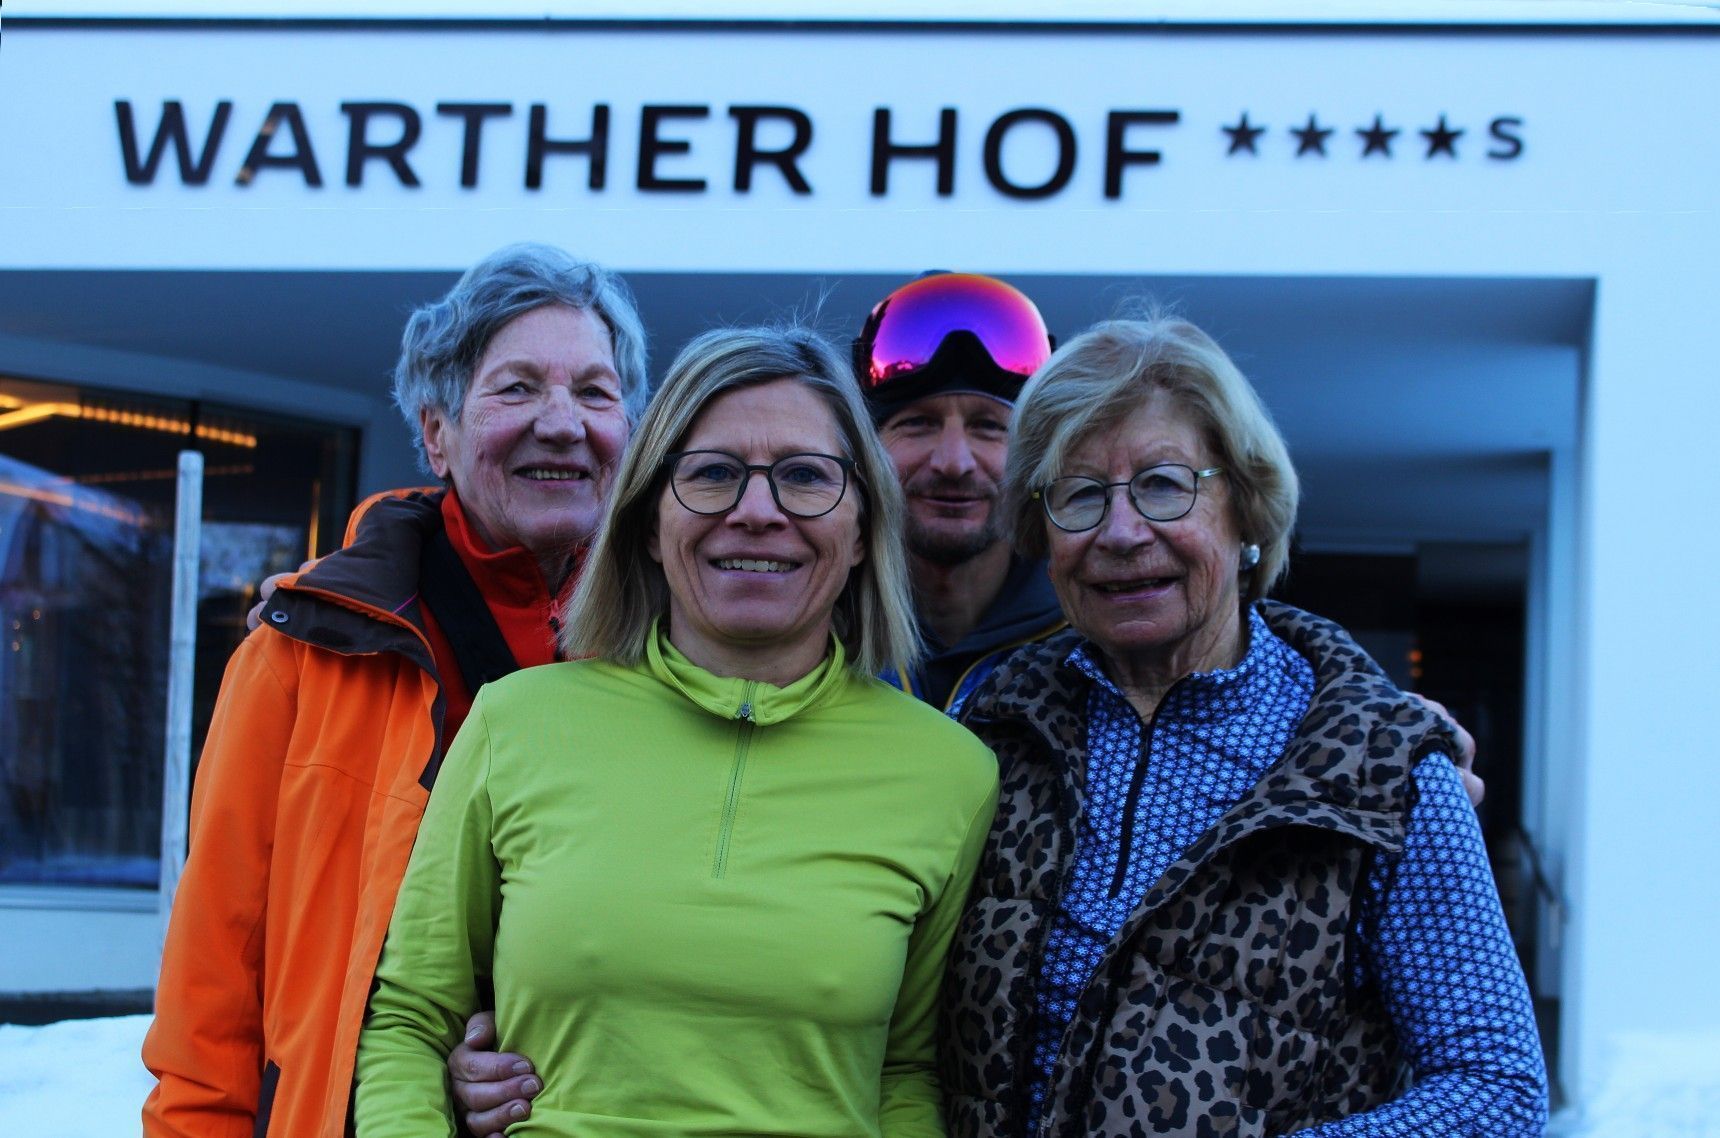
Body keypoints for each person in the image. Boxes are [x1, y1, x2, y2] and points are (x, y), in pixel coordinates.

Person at [352, 325, 999, 1136]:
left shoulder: (951, 772)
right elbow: (412, 1021)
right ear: (650, 522)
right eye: (714, 474)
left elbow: (909, 1072)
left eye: (804, 476)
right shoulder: (515, 723)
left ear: (864, 527)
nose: (756, 512)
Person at [939, 315, 1548, 1136]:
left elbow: (1494, 1087)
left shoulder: (1384, 765)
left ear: (1246, 510)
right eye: (1081, 496)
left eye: (1164, 485)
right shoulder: (987, 726)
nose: (1122, 534)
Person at [141, 243, 649, 1138]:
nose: (563, 423)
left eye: (596, 393)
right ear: (435, 431)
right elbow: (214, 978)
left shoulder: (684, 656)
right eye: (517, 388)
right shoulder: (303, 655)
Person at [855, 272, 1066, 715]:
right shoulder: (809, 634)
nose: (954, 462)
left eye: (988, 427)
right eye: (918, 424)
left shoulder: (1093, 637)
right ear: (866, 450)